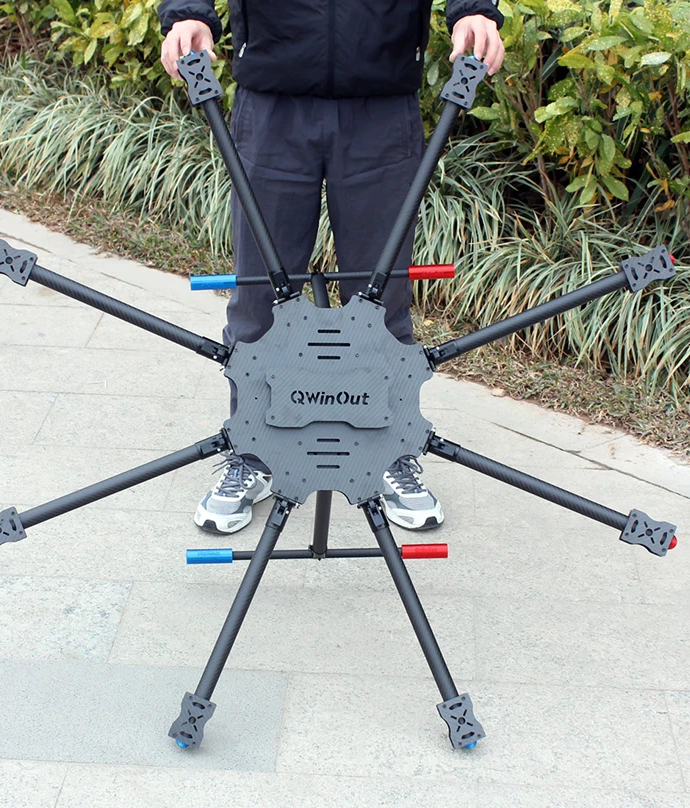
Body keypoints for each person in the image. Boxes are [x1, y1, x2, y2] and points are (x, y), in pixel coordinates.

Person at [158, 0, 505, 534]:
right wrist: (188, 13)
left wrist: (473, 10)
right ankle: (253, 452)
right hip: (273, 98)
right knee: (259, 304)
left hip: (381, 102)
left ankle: (388, 451)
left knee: (381, 305)